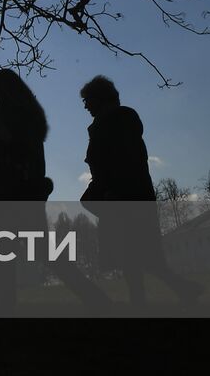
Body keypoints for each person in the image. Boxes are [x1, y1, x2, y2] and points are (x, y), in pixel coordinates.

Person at [0, 69, 108, 311]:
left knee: (10, 250)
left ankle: (6, 304)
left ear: (4, 89)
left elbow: (16, 152)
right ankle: (93, 297)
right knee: (35, 250)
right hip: (23, 190)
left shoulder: (14, 116)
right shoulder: (26, 113)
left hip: (16, 191)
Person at [80, 75, 202, 307]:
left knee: (132, 256)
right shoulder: (116, 121)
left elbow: (116, 161)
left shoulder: (113, 122)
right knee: (138, 256)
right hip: (126, 193)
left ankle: (146, 300)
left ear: (100, 98)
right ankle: (179, 290)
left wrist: (108, 191)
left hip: (122, 195)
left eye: (88, 100)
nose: (86, 105)